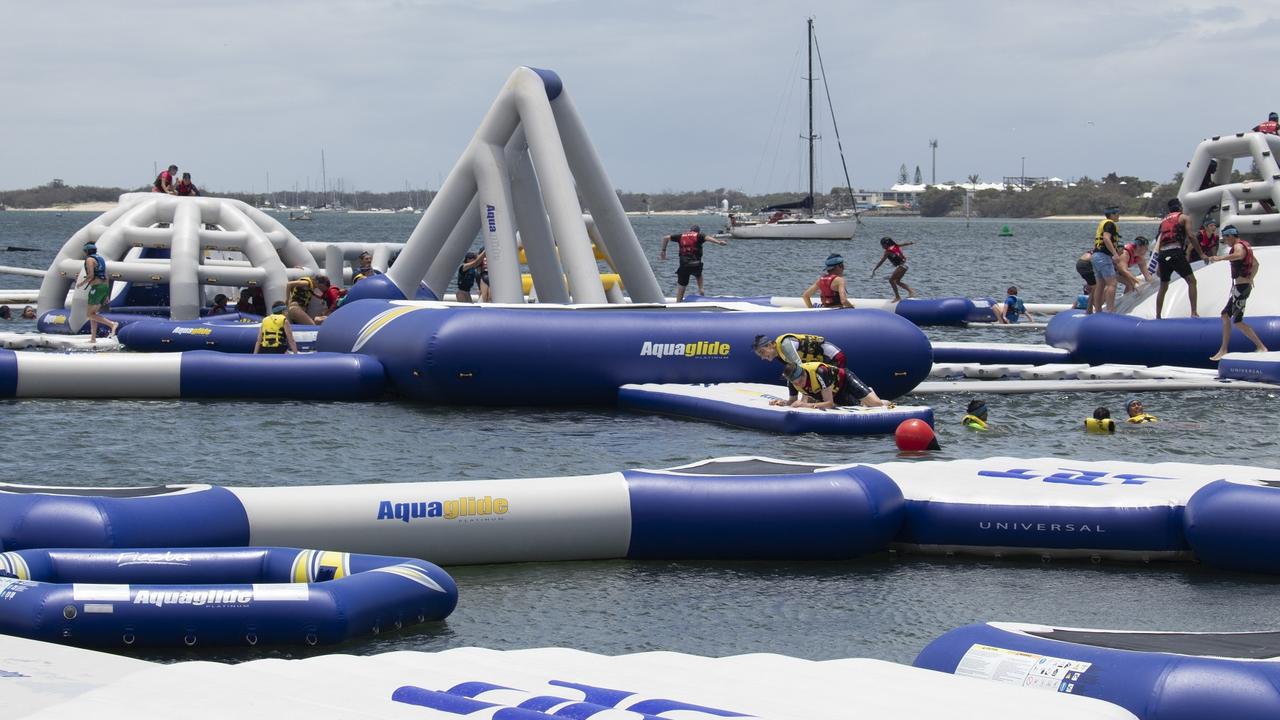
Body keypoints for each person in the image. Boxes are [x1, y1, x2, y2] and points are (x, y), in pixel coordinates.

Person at [1208, 224, 1268, 360]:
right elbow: (1256, 264)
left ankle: (1261, 347)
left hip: (1241, 288)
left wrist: (1221, 258)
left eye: (1226, 239)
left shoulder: (1238, 246)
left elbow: (1239, 255)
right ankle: (1224, 349)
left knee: (1236, 320)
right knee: (1226, 316)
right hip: (1241, 287)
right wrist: (1251, 278)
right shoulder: (1246, 245)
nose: (1226, 242)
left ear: (1230, 236)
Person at [1154, 199, 1205, 319]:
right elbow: (1191, 236)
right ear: (1180, 207)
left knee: (1163, 286)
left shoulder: (1164, 221)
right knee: (1192, 281)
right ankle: (1193, 313)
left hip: (1163, 254)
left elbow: (1159, 240)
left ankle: (1158, 316)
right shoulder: (1184, 218)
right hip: (1175, 252)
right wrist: (1201, 254)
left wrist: (1158, 263)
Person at [772, 361, 890, 409]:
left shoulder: (819, 372)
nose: (798, 385)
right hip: (835, 392)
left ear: (804, 375)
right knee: (860, 407)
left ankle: (870, 392)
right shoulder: (792, 380)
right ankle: (864, 399)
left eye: (799, 382)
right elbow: (792, 401)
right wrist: (781, 403)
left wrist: (804, 404)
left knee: (876, 405)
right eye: (794, 383)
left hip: (845, 380)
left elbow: (829, 403)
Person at [660, 225, 727, 302]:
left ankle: (678, 303)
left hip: (684, 265)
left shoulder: (681, 236)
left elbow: (665, 238)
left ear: (690, 230)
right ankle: (701, 290)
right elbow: (708, 238)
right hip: (696, 264)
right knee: (699, 274)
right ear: (697, 231)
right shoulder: (699, 235)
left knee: (681, 288)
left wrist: (663, 250)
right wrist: (719, 242)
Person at [76, 241, 117, 342]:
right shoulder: (100, 259)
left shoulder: (90, 259)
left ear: (86, 251)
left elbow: (90, 275)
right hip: (104, 287)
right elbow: (106, 276)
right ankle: (93, 338)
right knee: (93, 313)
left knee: (89, 315)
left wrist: (81, 283)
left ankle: (112, 324)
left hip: (97, 288)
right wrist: (106, 295)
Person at [1090, 206, 1122, 313]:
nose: (1118, 215)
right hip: (1103, 257)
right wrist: (1115, 254)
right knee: (1112, 283)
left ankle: (1098, 311)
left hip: (1096, 256)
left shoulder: (1104, 223)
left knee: (1100, 284)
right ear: (1112, 215)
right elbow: (1106, 238)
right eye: (1117, 213)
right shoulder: (1110, 224)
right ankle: (1110, 310)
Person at [871, 237, 917, 302]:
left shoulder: (888, 252)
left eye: (882, 244)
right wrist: (910, 243)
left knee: (891, 280)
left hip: (902, 265)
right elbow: (904, 244)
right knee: (897, 281)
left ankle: (898, 297)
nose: (882, 246)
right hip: (905, 264)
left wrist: (875, 269)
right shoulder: (895, 246)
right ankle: (911, 292)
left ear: (887, 244)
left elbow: (881, 261)